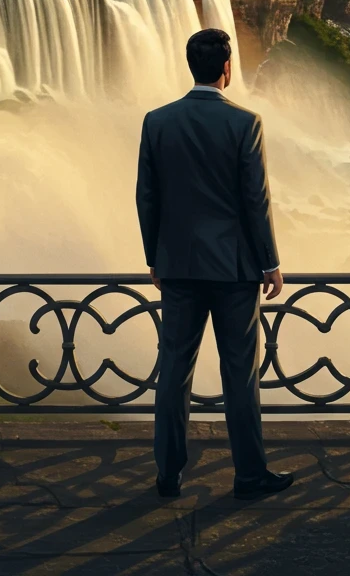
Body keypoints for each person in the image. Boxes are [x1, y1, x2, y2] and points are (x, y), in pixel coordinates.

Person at [135, 27, 294, 501]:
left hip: (179, 266)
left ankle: (168, 474)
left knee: (174, 370)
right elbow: (255, 201)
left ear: (191, 68)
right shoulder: (246, 123)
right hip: (235, 269)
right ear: (228, 69)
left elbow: (147, 197)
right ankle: (248, 475)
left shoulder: (157, 121)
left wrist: (154, 259)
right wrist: (270, 263)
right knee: (239, 373)